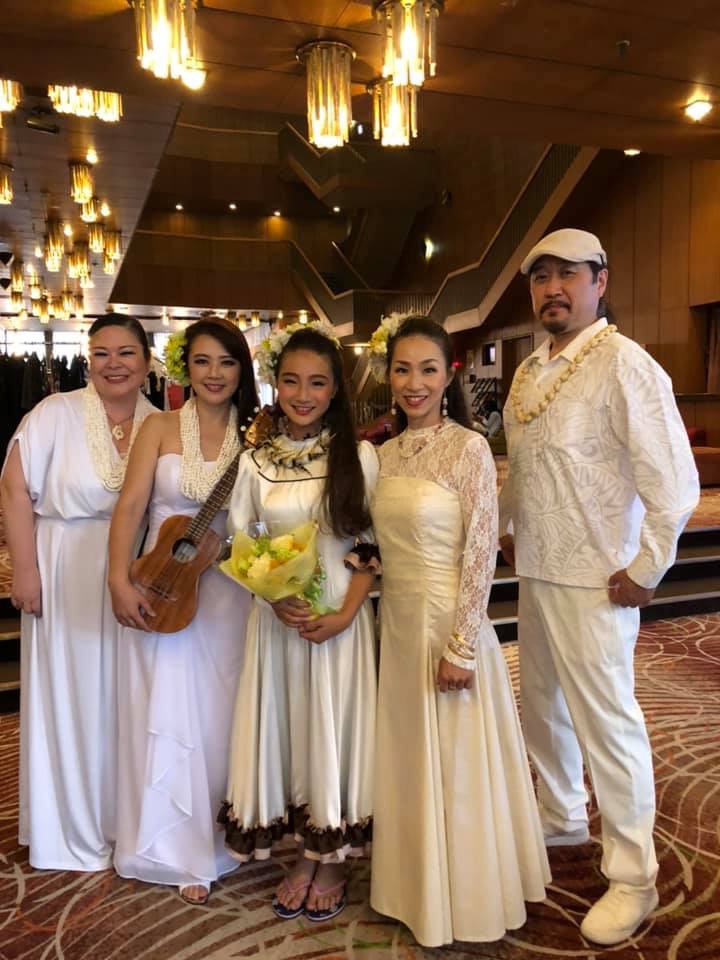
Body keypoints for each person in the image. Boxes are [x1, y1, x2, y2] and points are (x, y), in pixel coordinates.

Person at [499, 228, 700, 946]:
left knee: (608, 725)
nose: (553, 288)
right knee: (542, 708)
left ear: (600, 282)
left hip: (599, 580)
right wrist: (509, 525)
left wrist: (647, 568)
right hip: (537, 569)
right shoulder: (529, 371)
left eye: (569, 274)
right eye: (541, 276)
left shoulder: (626, 365)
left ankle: (634, 875)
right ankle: (561, 816)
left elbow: (675, 483)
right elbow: (523, 465)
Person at [367, 314, 550, 948]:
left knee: (457, 764)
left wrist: (462, 646)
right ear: (389, 376)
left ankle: (467, 896)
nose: (413, 383)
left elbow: (479, 552)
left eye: (427, 369)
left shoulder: (468, 448)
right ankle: (412, 889)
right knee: (408, 758)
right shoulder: (382, 454)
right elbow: (375, 543)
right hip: (396, 625)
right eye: (402, 369)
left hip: (449, 623)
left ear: (450, 375)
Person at [219, 322, 378, 924]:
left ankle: (330, 858)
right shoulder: (255, 462)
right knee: (288, 729)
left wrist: (344, 614)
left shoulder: (359, 456)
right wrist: (270, 595)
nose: (303, 395)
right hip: (277, 618)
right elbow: (245, 538)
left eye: (317, 383)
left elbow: (368, 545)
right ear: (275, 385)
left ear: (335, 389)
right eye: (291, 381)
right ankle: (301, 853)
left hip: (337, 617)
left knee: (329, 728)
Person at [108, 317, 259, 904]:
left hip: (227, 593)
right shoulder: (159, 426)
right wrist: (118, 580)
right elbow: (130, 507)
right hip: (161, 587)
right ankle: (173, 848)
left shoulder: (258, 434)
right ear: (184, 367)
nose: (214, 374)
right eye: (202, 361)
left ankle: (221, 838)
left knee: (221, 714)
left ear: (242, 369)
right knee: (166, 710)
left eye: (226, 362)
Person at [0, 314, 154, 871]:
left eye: (126, 352)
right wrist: (25, 570)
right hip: (64, 566)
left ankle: (122, 823)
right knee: (70, 696)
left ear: (147, 362)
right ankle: (66, 826)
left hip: (134, 575)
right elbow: (13, 489)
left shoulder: (162, 424)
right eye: (101, 353)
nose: (114, 364)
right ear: (88, 359)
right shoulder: (54, 412)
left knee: (125, 701)